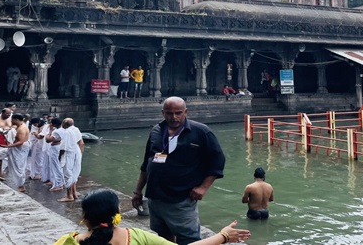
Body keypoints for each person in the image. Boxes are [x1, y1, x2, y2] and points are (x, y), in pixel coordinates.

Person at [132, 97, 226, 245]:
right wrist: (138, 191)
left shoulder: (201, 132)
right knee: (162, 236)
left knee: (189, 238)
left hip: (181, 198)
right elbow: (146, 163)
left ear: (186, 112)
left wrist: (203, 187)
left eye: (178, 113)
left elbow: (218, 161)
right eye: (169, 113)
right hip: (155, 197)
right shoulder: (156, 131)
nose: (174, 117)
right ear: (163, 113)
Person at [55, 189, 250, 245]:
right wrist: (223, 236)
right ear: (117, 214)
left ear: (85, 217)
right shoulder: (136, 237)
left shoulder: (67, 241)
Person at [58, 117, 85, 202]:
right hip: (77, 151)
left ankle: (69, 196)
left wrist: (59, 157)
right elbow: (82, 143)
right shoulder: (76, 129)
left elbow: (63, 148)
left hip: (69, 153)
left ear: (64, 124)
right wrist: (80, 155)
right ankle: (74, 193)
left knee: (68, 174)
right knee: (74, 173)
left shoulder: (66, 132)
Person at [2, 113, 31, 193]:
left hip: (20, 148)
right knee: (17, 165)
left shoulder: (21, 129)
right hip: (19, 148)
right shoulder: (20, 126)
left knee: (19, 167)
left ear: (16, 120)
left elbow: (21, 142)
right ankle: (20, 184)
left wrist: (9, 146)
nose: (11, 121)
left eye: (12, 119)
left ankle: (21, 186)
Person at [45, 118, 65, 192]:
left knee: (55, 166)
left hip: (55, 148)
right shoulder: (63, 130)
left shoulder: (56, 131)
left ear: (54, 124)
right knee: (57, 165)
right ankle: (58, 182)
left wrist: (50, 131)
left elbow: (48, 140)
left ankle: (59, 184)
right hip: (59, 146)